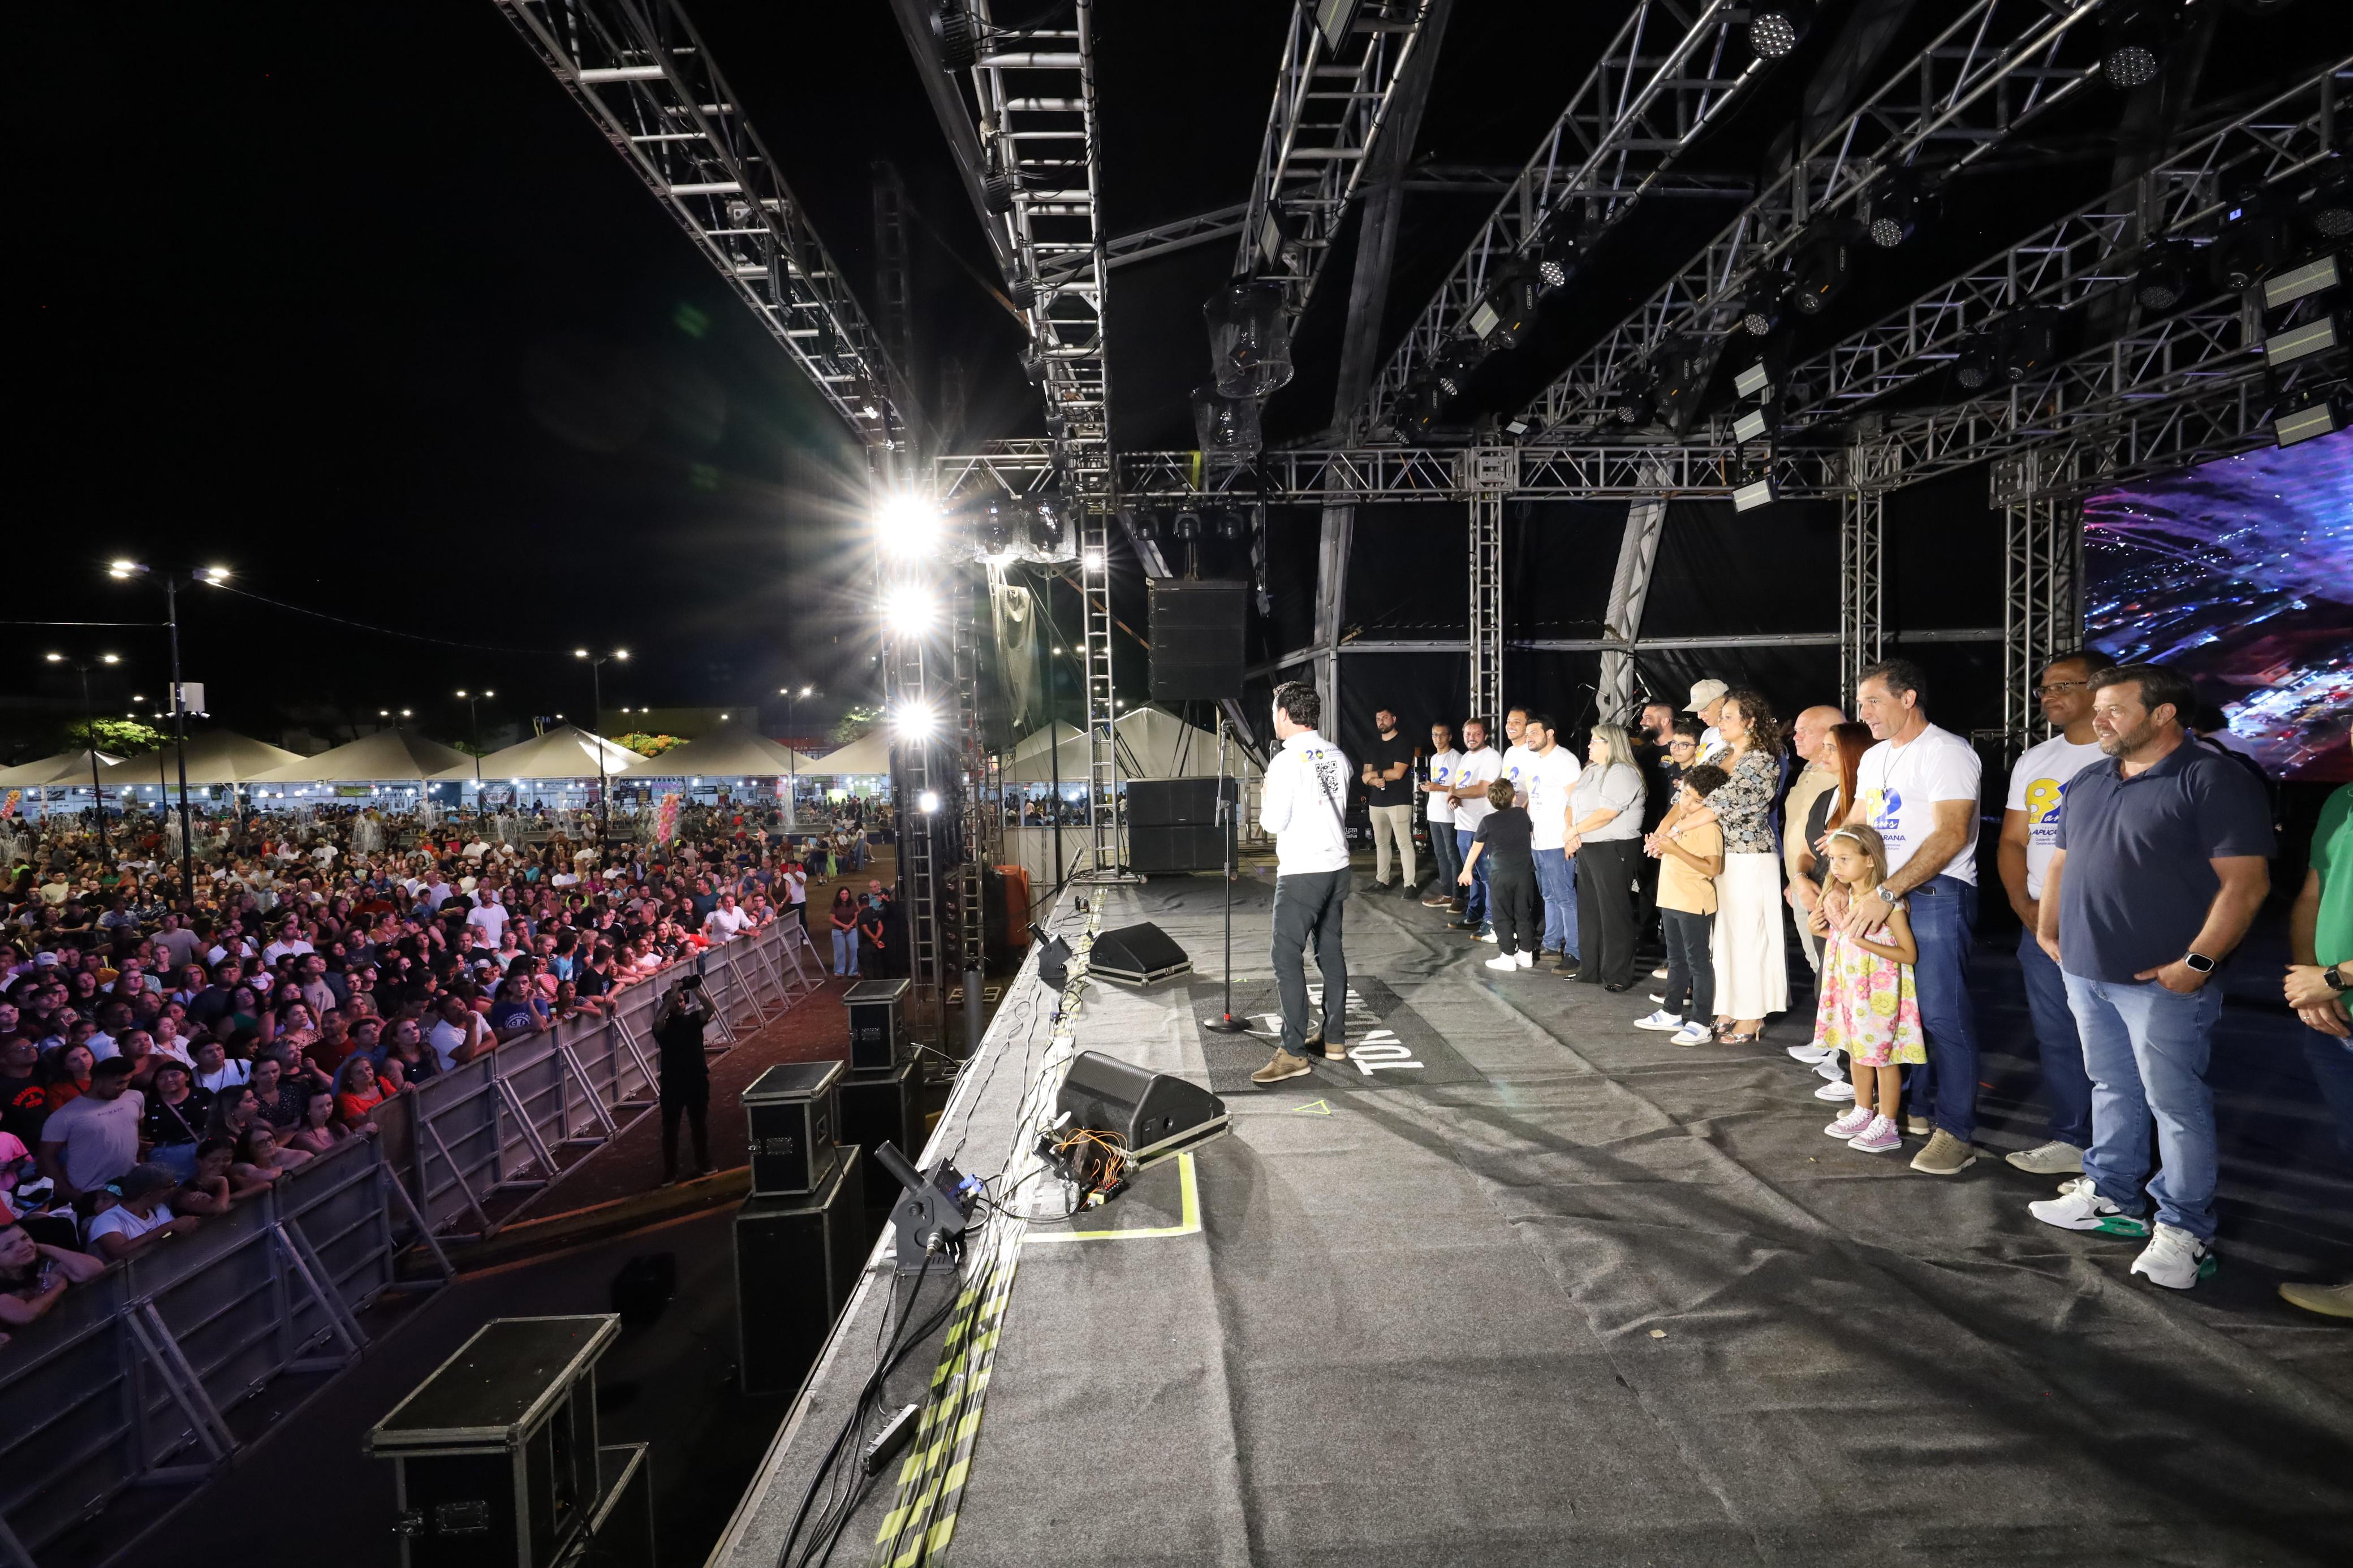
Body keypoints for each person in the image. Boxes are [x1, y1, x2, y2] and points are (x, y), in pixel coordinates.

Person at [2027, 663, 2271, 1290]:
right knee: (2109, 1083)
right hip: (2084, 970)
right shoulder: (2086, 779)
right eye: (2095, 705)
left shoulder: (2211, 778)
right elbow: (2060, 862)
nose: (2096, 717)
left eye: (2112, 708)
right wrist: (2047, 928)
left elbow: (2244, 886)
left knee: (2176, 1105)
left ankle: (2185, 1228)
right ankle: (2112, 1195)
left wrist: (2196, 963)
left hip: (2163, 982)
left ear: (2163, 714)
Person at [1845, 658, 1984, 1178]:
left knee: (1944, 1015)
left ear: (1909, 698)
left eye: (1873, 701)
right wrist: (1837, 886)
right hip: (1885, 894)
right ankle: (1914, 1110)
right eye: (1861, 704)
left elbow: (1951, 834)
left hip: (1934, 892)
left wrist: (1886, 890)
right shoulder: (1876, 756)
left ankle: (1957, 1131)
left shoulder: (1947, 751)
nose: (1865, 713)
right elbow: (1858, 826)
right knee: (1903, 1012)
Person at [1996, 651, 2108, 1176]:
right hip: (2041, 924)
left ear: (2101, 688)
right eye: (2043, 688)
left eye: (2063, 685)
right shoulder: (2035, 760)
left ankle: (2120, 1156)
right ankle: (2073, 1137)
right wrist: (2025, 905)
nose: (2047, 696)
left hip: (2108, 923)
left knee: (2118, 1044)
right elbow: (2014, 840)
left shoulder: (2122, 756)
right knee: (2057, 1033)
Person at [1252, 681, 1352, 1085]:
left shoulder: (1285, 762)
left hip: (1302, 871)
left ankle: (1293, 1051)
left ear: (1285, 714)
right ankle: (1334, 1040)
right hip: (1337, 865)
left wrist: (1264, 794)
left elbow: (1272, 823)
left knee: (1285, 955)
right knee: (1330, 950)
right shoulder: (1337, 755)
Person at [1810, 826, 1928, 1155]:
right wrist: (1816, 928)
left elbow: (1909, 954)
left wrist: (1863, 941)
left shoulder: (1889, 906)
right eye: (1833, 859)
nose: (1836, 866)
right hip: (1849, 991)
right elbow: (1842, 942)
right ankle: (1863, 1110)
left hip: (1879, 994)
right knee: (1855, 1050)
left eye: (1845, 859)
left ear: (1870, 861)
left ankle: (1888, 1122)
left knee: (1882, 1058)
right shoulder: (1843, 898)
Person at [2280, 780, 2351, 1318]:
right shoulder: (2341, 800)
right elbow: (2312, 894)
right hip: (2332, 1017)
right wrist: (2310, 985)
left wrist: (2333, 977)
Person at [1700, 690, 1787, 1043]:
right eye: (1721, 716)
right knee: (1724, 935)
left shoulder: (1764, 758)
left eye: (1729, 716)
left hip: (1751, 856)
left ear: (1750, 721)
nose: (1721, 722)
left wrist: (1675, 829)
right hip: (1722, 854)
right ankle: (1728, 1005)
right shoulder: (1720, 754)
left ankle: (1752, 1013)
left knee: (1751, 935)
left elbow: (1727, 803)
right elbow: (1688, 795)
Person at [1637, 763, 1726, 1047]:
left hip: (1693, 901)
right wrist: (1661, 849)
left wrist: (1673, 848)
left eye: (1695, 800)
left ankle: (1701, 1021)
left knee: (1698, 962)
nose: (1686, 803)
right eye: (1685, 795)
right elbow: (1677, 858)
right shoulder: (1680, 825)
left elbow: (1713, 868)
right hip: (1671, 897)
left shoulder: (1709, 828)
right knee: (1675, 959)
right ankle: (1672, 1010)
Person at [1568, 723, 1647, 991]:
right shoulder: (1591, 770)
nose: (1589, 745)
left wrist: (1574, 831)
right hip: (1588, 846)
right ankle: (1590, 969)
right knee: (1590, 911)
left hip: (1614, 847)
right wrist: (1572, 834)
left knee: (1614, 912)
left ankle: (1617, 974)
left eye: (1595, 741)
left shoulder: (1622, 772)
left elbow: (1607, 814)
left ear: (1610, 744)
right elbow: (1571, 805)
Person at [1781, 706, 1849, 974]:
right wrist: (1795, 879)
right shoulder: (1809, 771)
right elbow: (1802, 834)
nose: (1796, 736)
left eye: (1805, 731)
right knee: (1819, 965)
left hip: (1830, 887)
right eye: (1796, 730)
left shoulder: (1842, 778)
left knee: (1833, 968)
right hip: (1804, 883)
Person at [36, 1056, 143, 1202]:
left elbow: (136, 1129)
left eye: (128, 1081)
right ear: (99, 1082)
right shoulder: (64, 1116)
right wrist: (67, 1191)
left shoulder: (135, 1097)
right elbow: (46, 1157)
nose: (125, 1087)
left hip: (130, 1183)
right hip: (90, 1192)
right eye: (119, 1083)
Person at [1521, 715, 1581, 968]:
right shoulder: (1534, 761)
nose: (1529, 738)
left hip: (1558, 840)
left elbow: (1576, 802)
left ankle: (1575, 951)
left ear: (1550, 733)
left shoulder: (1565, 761)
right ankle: (1551, 942)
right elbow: (1531, 799)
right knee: (1548, 894)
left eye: (1534, 733)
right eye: (1527, 734)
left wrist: (1571, 835)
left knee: (1565, 896)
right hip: (1538, 840)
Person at [1460, 781, 1535, 971]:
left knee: (1502, 915)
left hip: (1501, 874)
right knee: (1523, 914)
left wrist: (1467, 870)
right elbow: (1526, 828)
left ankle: (1508, 955)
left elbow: (1475, 848)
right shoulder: (1521, 815)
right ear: (1514, 798)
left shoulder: (1488, 822)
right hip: (1525, 873)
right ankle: (1526, 954)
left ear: (1489, 800)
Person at [652, 974, 714, 1183]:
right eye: (675, 1001)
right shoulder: (663, 1027)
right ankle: (671, 1171)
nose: (679, 1004)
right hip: (672, 1084)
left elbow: (711, 1009)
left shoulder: (694, 1020)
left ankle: (704, 1163)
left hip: (696, 1078)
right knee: (670, 1129)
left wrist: (695, 989)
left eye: (681, 1000)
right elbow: (657, 1022)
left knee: (699, 1124)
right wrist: (672, 995)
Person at [1447, 719, 1503, 935]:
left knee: (1489, 877)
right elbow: (1456, 784)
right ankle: (1475, 914)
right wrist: (1453, 796)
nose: (1471, 737)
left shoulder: (1491, 757)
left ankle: (1491, 922)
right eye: (1468, 733)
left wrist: (1454, 794)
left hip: (1484, 827)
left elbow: (1482, 789)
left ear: (1486, 736)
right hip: (1464, 826)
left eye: (1476, 734)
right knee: (1473, 875)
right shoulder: (1466, 758)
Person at [0, 1217, 105, 1332]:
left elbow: (95, 1269)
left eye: (25, 1238)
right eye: (9, 1247)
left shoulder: (43, 1265)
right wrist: (60, 1286)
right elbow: (25, 1315)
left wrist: (44, 1248)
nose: (24, 1246)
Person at [87, 1163, 201, 1262]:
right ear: (149, 1194)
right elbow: (118, 1252)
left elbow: (178, 1238)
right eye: (172, 1185)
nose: (175, 1188)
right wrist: (170, 1226)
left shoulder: (159, 1209)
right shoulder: (106, 1220)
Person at [1359, 706, 1417, 895]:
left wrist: (1375, 775)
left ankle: (1410, 885)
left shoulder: (1404, 742)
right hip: (1376, 802)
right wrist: (1376, 779)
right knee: (1381, 844)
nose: (1381, 722)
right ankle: (1382, 881)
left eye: (1385, 718)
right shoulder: (1371, 745)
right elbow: (1364, 776)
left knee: (1404, 843)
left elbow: (1399, 773)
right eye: (1378, 719)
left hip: (1399, 801)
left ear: (1394, 719)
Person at [1419, 722, 1462, 909]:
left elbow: (1460, 787)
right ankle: (1447, 893)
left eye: (1442, 735)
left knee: (1453, 855)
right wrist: (1430, 787)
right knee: (1440, 855)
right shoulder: (1434, 758)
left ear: (1450, 736)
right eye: (1435, 735)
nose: (1438, 739)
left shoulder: (1457, 758)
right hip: (1435, 812)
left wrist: (1439, 788)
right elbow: (1438, 783)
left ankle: (1457, 896)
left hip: (1450, 814)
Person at [1687, 680, 1730, 759]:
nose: (1699, 716)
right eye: (1697, 710)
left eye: (1704, 709)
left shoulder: (1739, 735)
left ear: (1723, 703)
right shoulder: (1707, 733)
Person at [828, 888, 860, 976]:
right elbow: (832, 919)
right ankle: (839, 971)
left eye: (846, 894)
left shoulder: (853, 904)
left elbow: (857, 916)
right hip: (838, 931)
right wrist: (844, 926)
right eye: (843, 894)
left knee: (855, 949)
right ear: (839, 895)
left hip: (851, 929)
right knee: (840, 952)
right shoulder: (836, 905)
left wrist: (849, 926)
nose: (845, 896)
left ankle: (853, 971)